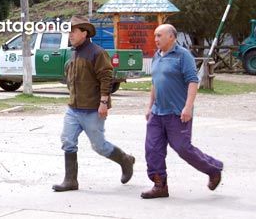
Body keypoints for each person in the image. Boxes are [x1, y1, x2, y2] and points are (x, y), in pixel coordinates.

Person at [53, 15, 135, 192]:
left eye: (73, 31)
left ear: (84, 32)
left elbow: (106, 77)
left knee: (100, 146)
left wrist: (104, 102)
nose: (70, 35)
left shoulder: (97, 52)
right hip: (73, 109)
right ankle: (70, 181)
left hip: (92, 110)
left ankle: (125, 160)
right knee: (67, 140)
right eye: (69, 32)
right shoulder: (73, 52)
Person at [141, 24, 224, 199]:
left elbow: (193, 81)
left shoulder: (183, 56)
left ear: (172, 37)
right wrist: (149, 106)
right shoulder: (157, 56)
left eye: (159, 35)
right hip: (157, 113)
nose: (156, 39)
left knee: (182, 148)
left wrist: (188, 106)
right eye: (155, 36)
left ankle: (213, 169)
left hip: (177, 113)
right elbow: (155, 83)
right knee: (152, 149)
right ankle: (159, 185)